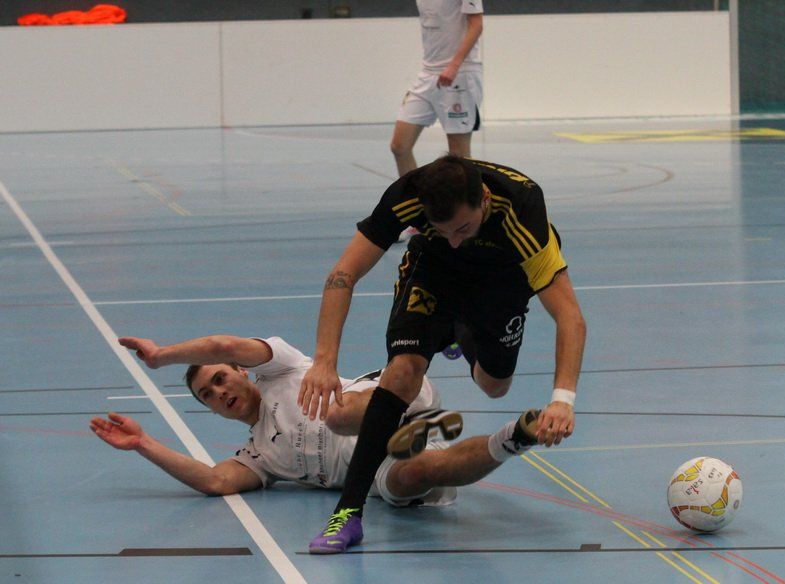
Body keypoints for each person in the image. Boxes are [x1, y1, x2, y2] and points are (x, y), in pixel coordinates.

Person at [299, 155, 587, 553]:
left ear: (484, 198)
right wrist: (324, 360)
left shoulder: (522, 209)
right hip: (434, 272)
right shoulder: (408, 195)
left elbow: (570, 316)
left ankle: (460, 329)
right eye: (442, 229)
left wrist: (562, 400)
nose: (455, 239)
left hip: (503, 279)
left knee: (494, 385)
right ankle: (347, 513)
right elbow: (343, 274)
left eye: (463, 228)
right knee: (402, 372)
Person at [92, 334, 541, 554]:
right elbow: (214, 480)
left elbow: (224, 342)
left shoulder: (281, 368)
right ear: (210, 410)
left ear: (241, 371)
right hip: (383, 465)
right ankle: (513, 438)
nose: (219, 392)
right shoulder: (259, 455)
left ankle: (401, 417)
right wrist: (144, 443)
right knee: (409, 477)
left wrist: (162, 356)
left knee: (336, 413)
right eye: (207, 395)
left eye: (221, 377)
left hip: (388, 398)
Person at [390, 0, 484, 178]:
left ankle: (470, 196)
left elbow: (477, 25)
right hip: (428, 73)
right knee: (400, 146)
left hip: (460, 73)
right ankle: (414, 195)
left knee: (459, 158)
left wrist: (454, 66)